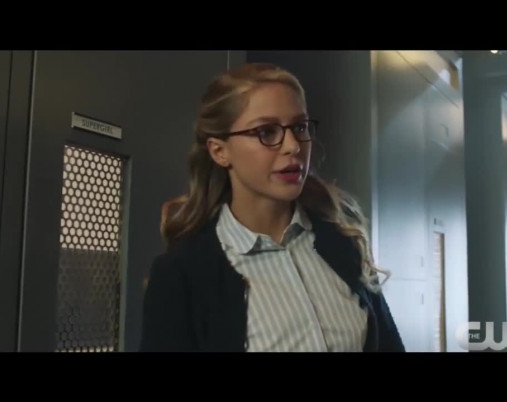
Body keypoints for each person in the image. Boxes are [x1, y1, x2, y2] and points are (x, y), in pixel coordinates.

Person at [140, 63, 404, 352]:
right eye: (266, 132)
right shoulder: (183, 274)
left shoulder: (344, 243)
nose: (293, 146)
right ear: (220, 151)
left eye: (300, 127)